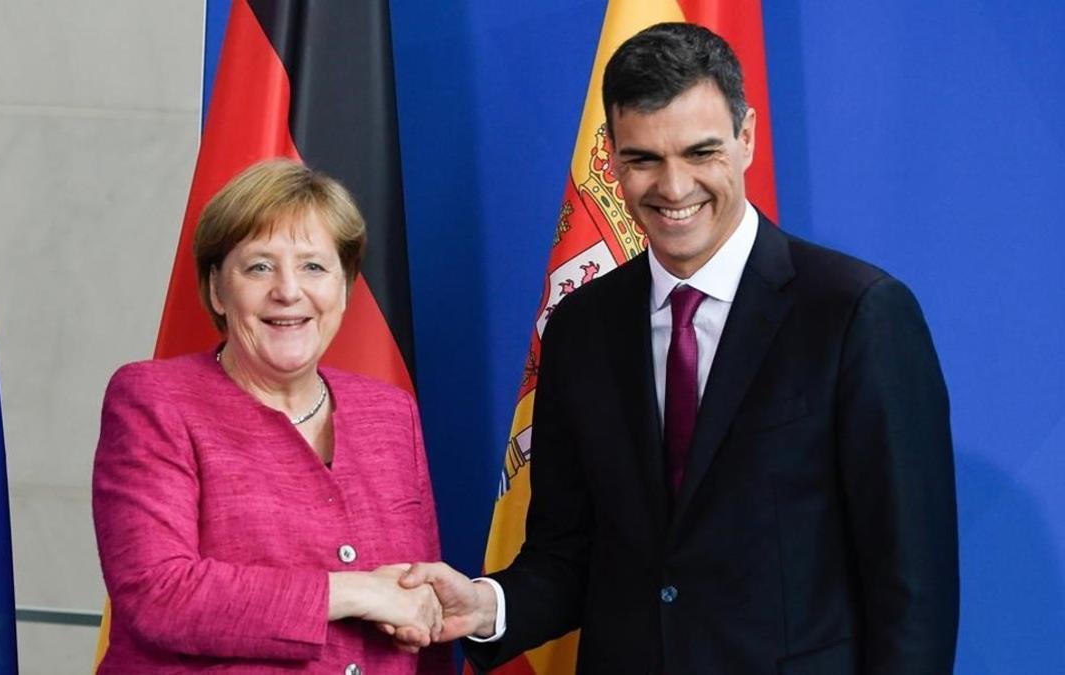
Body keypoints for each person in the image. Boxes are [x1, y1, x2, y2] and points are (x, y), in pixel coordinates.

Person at [399, 22, 959, 674]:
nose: (673, 187)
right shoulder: (581, 327)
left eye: (700, 153)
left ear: (746, 138)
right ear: (609, 156)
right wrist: (485, 604)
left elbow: (912, 592)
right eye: (643, 159)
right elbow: (567, 553)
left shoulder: (858, 313)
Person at [92, 160, 453, 674]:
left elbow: (421, 610)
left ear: (345, 287)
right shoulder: (154, 400)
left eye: (313, 266)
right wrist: (352, 592)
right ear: (217, 289)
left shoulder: (390, 413)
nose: (288, 290)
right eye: (259, 266)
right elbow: (159, 594)